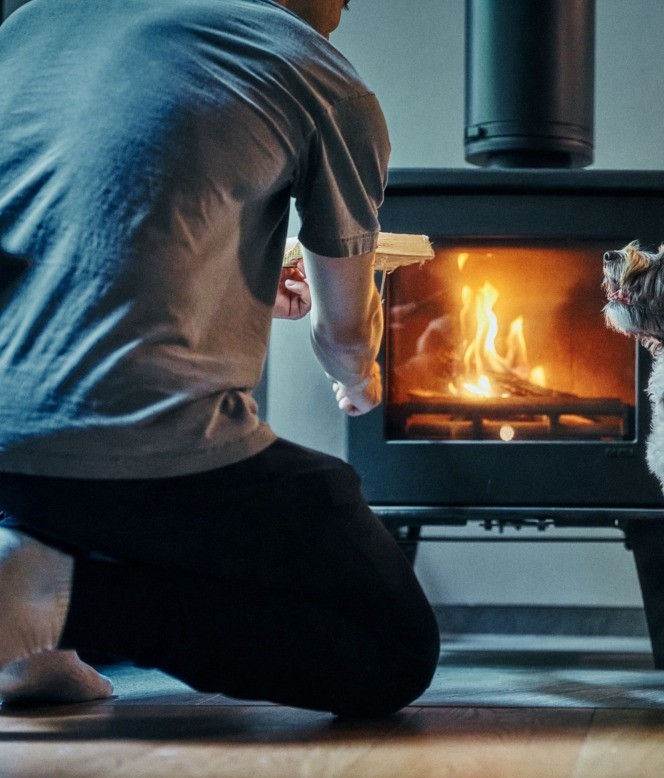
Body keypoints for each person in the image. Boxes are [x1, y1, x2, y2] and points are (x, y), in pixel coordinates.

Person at [0, 0, 439, 716]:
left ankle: (31, 644)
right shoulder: (317, 72)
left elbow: (71, 227)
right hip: (132, 438)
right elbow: (345, 340)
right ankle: (58, 602)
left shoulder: (35, 21)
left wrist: (237, 285)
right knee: (395, 649)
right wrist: (359, 380)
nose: (349, 4)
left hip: (8, 441)